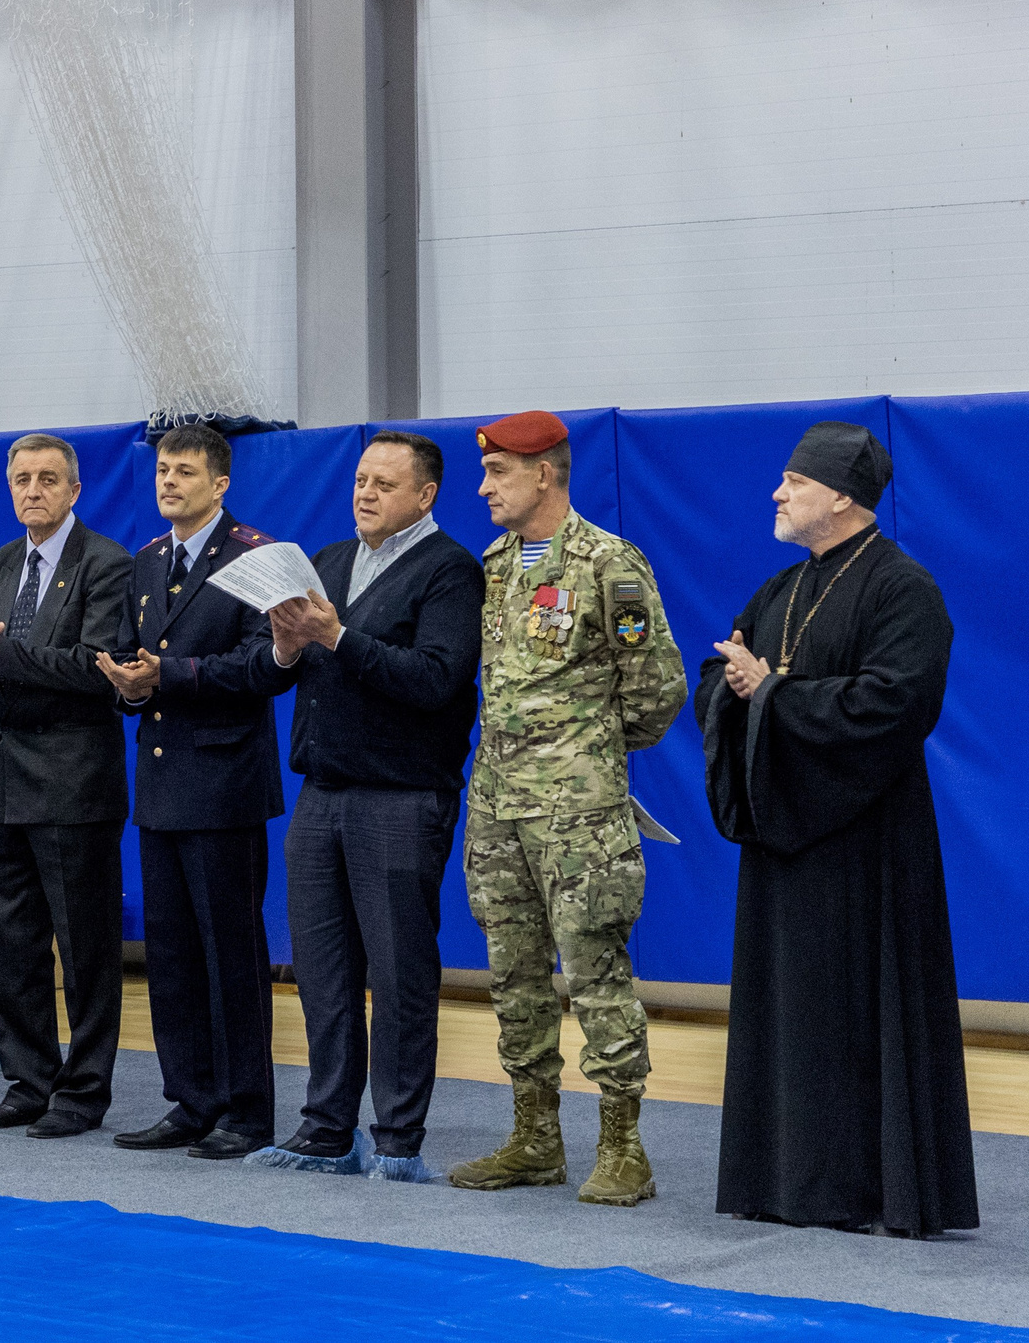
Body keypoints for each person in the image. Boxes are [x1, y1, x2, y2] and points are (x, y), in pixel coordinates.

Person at [696, 421, 974, 1237]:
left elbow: (898, 702)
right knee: (787, 1016)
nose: (777, 494)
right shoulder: (782, 587)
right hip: (785, 838)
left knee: (857, 1014)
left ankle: (859, 1188)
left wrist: (772, 692)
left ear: (842, 496)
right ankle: (784, 1181)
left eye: (793, 481)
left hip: (866, 841)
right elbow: (726, 670)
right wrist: (743, 686)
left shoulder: (903, 588)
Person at [448, 411, 684, 1206]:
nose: (482, 487)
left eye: (498, 474)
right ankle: (535, 1138)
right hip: (497, 807)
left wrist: (585, 754)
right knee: (513, 975)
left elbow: (655, 689)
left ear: (544, 473)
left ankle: (623, 1147)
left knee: (594, 972)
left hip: (577, 814)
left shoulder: (608, 563)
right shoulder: (496, 563)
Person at [254, 432, 483, 1181]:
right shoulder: (328, 561)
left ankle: (397, 1136)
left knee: (398, 971)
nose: (366, 493)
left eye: (385, 483)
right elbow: (290, 668)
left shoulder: (449, 571)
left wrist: (340, 636)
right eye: (360, 479)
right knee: (322, 971)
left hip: (400, 796)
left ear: (425, 496)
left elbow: (436, 679)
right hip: (320, 794)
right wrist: (290, 647)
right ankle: (325, 1126)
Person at [0, 433, 133, 1139]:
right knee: (8, 942)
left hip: (75, 775)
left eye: (49, 478)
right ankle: (28, 1080)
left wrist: (0, 653)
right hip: (5, 772)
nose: (33, 490)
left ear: (75, 490)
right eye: (22, 479)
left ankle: (82, 1093)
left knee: (83, 949)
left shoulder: (106, 564)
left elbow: (96, 669)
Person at [96, 423, 287, 1161]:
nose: (168, 482)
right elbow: (124, 648)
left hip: (223, 779)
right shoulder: (147, 561)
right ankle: (191, 1098)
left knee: (229, 953)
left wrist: (167, 677)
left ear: (220, 483)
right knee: (171, 955)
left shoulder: (254, 558)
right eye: (162, 471)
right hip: (162, 777)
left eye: (183, 471)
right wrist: (125, 684)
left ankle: (246, 1108)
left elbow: (266, 665)